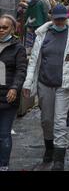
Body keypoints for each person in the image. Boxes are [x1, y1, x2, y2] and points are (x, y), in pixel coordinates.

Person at [22, 5, 69, 171]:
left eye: (62, 18)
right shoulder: (42, 34)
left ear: (66, 18)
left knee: (60, 121)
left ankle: (59, 157)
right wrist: (28, 83)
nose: (60, 21)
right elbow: (34, 61)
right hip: (44, 83)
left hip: (64, 85)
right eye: (57, 18)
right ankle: (49, 147)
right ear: (51, 18)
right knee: (46, 119)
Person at [0, 15, 27, 171]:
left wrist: (14, 88)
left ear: (13, 29)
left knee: (3, 134)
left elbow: (21, 70)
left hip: (8, 97)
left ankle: (3, 165)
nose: (1, 30)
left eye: (5, 27)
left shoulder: (18, 48)